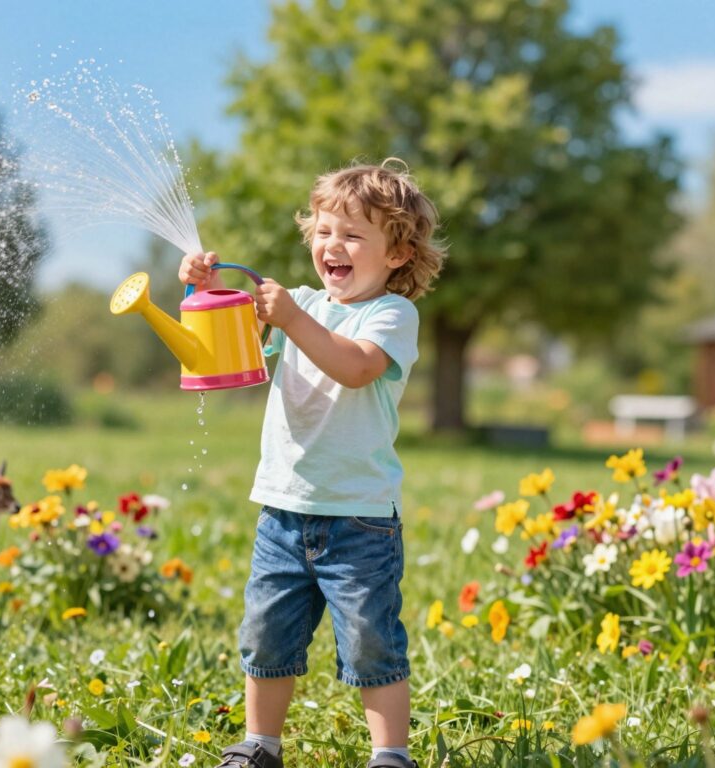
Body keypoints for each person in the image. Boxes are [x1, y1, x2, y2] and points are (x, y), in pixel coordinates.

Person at [178, 160, 446, 768]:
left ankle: (391, 755)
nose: (333, 245)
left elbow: (355, 367)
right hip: (283, 511)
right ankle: (260, 745)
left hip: (359, 520)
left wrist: (292, 319)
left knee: (372, 642)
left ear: (398, 253)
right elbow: (222, 349)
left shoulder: (391, 315)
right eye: (324, 231)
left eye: (353, 235)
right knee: (265, 636)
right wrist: (203, 289)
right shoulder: (297, 304)